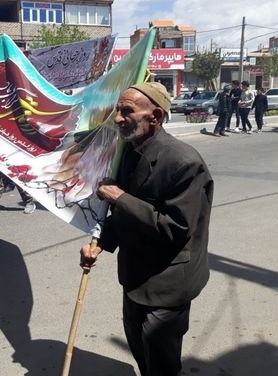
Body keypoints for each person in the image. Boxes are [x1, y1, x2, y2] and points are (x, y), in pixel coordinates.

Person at [80, 82, 213, 376]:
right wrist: (100, 243)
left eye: (127, 111)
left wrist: (119, 196)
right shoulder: (128, 151)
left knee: (161, 360)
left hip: (168, 282)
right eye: (118, 110)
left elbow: (176, 228)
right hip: (134, 275)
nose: (117, 119)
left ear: (154, 116)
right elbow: (123, 213)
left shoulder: (184, 162)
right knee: (140, 347)